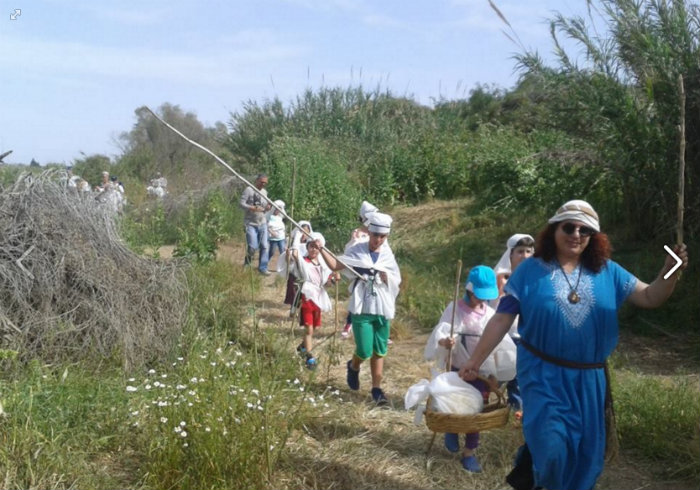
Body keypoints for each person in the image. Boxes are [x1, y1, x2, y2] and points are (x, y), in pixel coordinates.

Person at [458, 199, 689, 490]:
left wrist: (671, 270)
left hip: (589, 380)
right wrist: (474, 360)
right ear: (554, 230)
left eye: (585, 230)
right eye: (569, 227)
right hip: (542, 375)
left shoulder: (608, 271)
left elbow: (650, 297)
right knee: (552, 446)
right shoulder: (530, 271)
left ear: (594, 237)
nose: (576, 234)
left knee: (584, 456)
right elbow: (501, 320)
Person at [424, 265, 515, 473]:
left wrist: (493, 374)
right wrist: (445, 341)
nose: (482, 300)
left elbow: (498, 345)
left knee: (476, 411)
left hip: (480, 372)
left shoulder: (490, 314)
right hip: (457, 368)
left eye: (486, 297)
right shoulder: (454, 310)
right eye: (478, 296)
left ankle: (469, 452)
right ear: (469, 290)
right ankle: (452, 429)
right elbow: (442, 331)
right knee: (453, 403)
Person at [319, 212, 401, 406]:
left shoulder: (387, 256)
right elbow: (335, 264)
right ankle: (353, 365)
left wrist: (386, 278)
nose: (378, 240)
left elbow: (396, 279)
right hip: (362, 307)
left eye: (382, 237)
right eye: (375, 236)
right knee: (364, 351)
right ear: (369, 233)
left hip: (381, 307)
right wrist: (321, 248)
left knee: (379, 350)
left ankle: (376, 389)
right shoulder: (357, 251)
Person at [491, 234, 535, 412]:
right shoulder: (502, 277)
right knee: (500, 371)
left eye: (528, 251)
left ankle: (516, 408)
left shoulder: (535, 276)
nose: (524, 256)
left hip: (525, 333)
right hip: (505, 332)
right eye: (520, 252)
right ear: (510, 254)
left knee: (520, 375)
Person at [288, 232, 334, 370]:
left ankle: (302, 348)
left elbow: (326, 282)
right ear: (307, 247)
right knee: (309, 329)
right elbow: (295, 254)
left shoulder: (323, 265)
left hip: (318, 298)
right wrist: (296, 237)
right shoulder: (304, 262)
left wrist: (332, 281)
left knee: (315, 328)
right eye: (311, 246)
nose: (314, 249)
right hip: (306, 297)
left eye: (317, 247)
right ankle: (309, 358)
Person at [341, 201, 379, 338]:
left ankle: (377, 331)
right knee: (357, 301)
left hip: (375, 271)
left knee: (376, 302)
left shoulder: (376, 233)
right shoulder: (358, 233)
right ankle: (349, 324)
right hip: (361, 272)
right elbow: (351, 251)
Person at [239, 173, 272, 275]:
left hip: (262, 223)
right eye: (262, 182)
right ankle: (247, 264)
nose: (263, 184)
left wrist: (267, 208)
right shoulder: (249, 190)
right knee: (253, 247)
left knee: (265, 246)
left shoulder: (264, 192)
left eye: (265, 183)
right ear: (257, 180)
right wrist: (251, 207)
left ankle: (262, 268)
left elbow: (264, 208)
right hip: (251, 223)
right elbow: (241, 204)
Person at [283, 220, 313, 315]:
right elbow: (289, 261)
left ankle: (302, 311)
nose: (304, 234)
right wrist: (288, 255)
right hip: (295, 273)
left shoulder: (311, 246)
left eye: (306, 232)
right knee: (295, 292)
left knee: (304, 294)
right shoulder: (293, 244)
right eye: (302, 231)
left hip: (307, 273)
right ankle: (293, 309)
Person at [267, 200, 287, 273]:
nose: (277, 210)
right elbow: (267, 226)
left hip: (281, 238)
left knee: (283, 252)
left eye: (279, 209)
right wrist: (271, 232)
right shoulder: (270, 216)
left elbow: (285, 216)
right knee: (271, 252)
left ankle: (284, 267)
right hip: (273, 238)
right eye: (276, 209)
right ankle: (264, 264)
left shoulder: (280, 217)